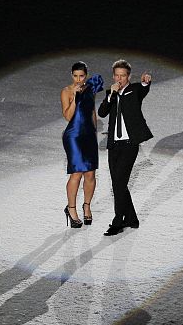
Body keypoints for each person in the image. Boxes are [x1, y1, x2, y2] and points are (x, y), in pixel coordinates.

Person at [97, 60, 153, 236]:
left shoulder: (135, 90)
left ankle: (117, 221)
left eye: (123, 75)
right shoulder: (111, 93)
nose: (120, 78)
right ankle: (132, 218)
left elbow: (143, 89)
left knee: (119, 183)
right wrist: (110, 95)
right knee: (118, 183)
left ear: (128, 76)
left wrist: (145, 82)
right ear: (113, 76)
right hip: (114, 145)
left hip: (130, 145)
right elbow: (102, 112)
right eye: (117, 75)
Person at [61, 61, 104, 228]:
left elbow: (92, 110)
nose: (79, 79)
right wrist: (75, 97)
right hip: (73, 136)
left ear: (86, 75)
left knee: (90, 175)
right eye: (75, 76)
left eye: (82, 76)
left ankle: (87, 206)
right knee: (77, 174)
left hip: (88, 135)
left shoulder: (90, 89)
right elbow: (68, 116)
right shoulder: (66, 91)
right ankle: (71, 209)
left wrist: (94, 132)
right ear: (72, 75)